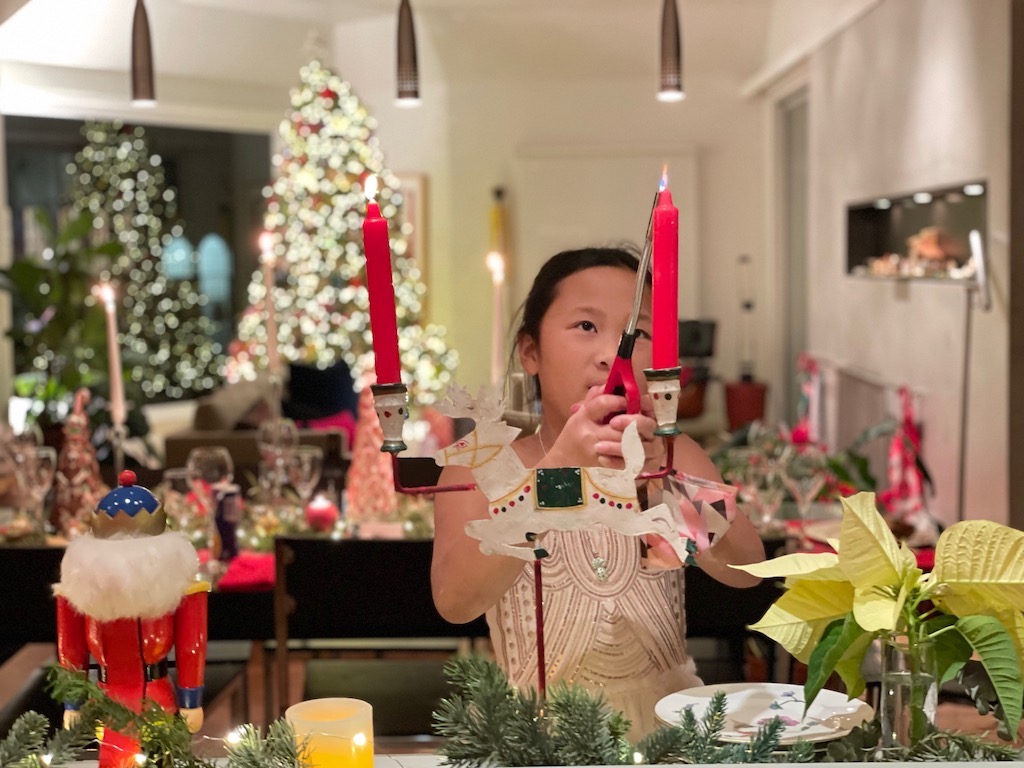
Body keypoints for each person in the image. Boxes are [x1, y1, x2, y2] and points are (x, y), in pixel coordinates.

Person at [431, 247, 766, 738]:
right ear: (531, 352)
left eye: (638, 332)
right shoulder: (479, 461)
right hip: (540, 739)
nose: (613, 354)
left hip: (667, 732)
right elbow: (457, 600)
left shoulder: (673, 454)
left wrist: (663, 478)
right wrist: (560, 469)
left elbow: (747, 569)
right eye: (586, 326)